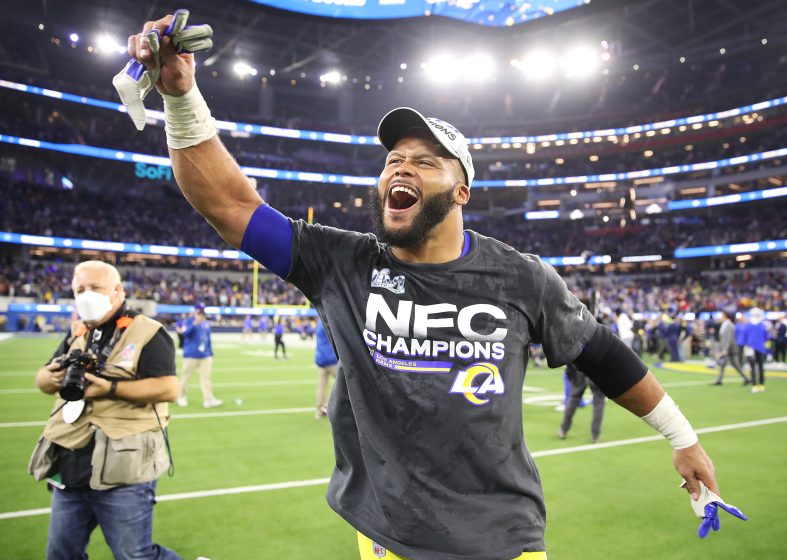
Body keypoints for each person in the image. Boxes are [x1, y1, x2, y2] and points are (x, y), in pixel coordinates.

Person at [126, 18, 735, 557]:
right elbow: (227, 202)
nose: (400, 167)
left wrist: (682, 438)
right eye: (393, 158)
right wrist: (181, 97)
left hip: (501, 537)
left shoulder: (519, 277)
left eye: (425, 160)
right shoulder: (341, 262)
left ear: (461, 191)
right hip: (386, 534)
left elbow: (602, 354)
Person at [29, 260, 179, 560]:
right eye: (79, 289)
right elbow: (43, 380)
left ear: (117, 291)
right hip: (71, 462)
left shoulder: (148, 332)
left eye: (95, 288)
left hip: (123, 466)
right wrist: (51, 376)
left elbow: (169, 389)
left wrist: (110, 388)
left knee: (134, 555)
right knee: (61, 554)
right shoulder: (79, 334)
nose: (87, 295)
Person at [176, 306, 222, 408]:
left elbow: (208, 339)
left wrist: (210, 352)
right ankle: (181, 397)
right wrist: (195, 323)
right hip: (191, 355)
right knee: (186, 377)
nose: (201, 315)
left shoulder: (205, 323)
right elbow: (185, 334)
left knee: (206, 378)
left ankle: (208, 399)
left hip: (205, 355)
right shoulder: (188, 321)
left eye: (202, 313)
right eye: (199, 313)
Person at [557, 363, 606, 443]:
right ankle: (595, 436)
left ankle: (563, 430)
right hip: (595, 369)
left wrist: (569, 372)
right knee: (599, 401)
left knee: (573, 400)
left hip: (579, 369)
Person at [712, 311, 750, 386]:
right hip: (727, 348)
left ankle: (746, 378)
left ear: (725, 316)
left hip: (731, 349)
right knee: (723, 364)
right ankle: (719, 379)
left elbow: (728, 339)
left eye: (721, 316)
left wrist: (725, 350)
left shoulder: (730, 325)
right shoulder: (724, 325)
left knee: (735, 364)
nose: (720, 318)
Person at [314, 318, 338, 419]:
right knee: (344, 381)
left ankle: (319, 410)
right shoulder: (327, 320)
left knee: (322, 385)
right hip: (330, 358)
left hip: (321, 357)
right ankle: (330, 407)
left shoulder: (320, 321)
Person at [743, 307, 770, 393]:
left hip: (751, 348)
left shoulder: (749, 325)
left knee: (753, 367)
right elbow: (766, 337)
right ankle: (761, 384)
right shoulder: (762, 325)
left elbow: (745, 337)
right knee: (760, 367)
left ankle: (755, 385)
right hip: (760, 348)